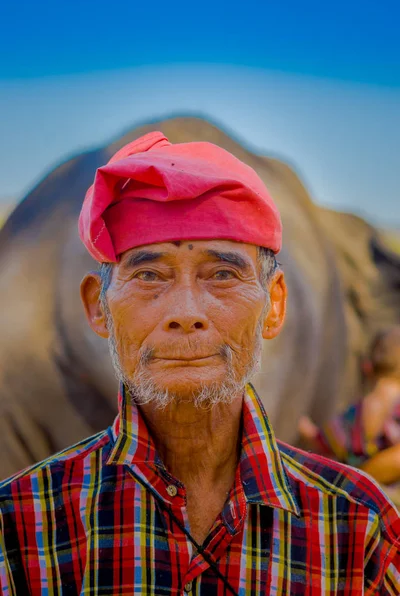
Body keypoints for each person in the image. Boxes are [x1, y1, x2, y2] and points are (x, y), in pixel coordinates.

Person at [0, 132, 399, 595]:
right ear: (98, 308)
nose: (186, 312)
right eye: (149, 275)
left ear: (274, 305)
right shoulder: (17, 526)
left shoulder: (360, 528)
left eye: (223, 275)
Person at [298, 327, 400, 491]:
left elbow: (326, 442)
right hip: (389, 501)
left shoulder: (359, 411)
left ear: (368, 367)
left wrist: (304, 426)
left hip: (359, 501)